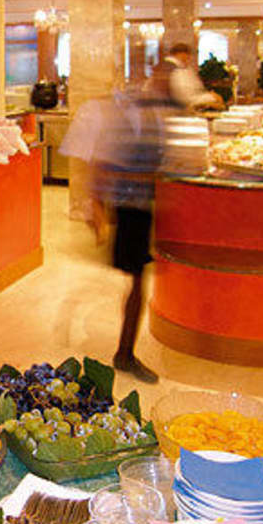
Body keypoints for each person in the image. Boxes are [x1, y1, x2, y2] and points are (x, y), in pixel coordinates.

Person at [91, 88, 167, 383]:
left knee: (138, 279)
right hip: (130, 208)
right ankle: (124, 354)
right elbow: (103, 163)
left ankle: (125, 352)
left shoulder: (145, 117)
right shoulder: (125, 120)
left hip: (138, 206)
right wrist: (97, 206)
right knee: (137, 280)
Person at [151, 43, 223, 110]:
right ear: (182, 54)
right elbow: (185, 98)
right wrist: (211, 97)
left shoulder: (165, 66)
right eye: (188, 55)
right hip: (174, 111)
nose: (189, 58)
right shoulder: (177, 68)